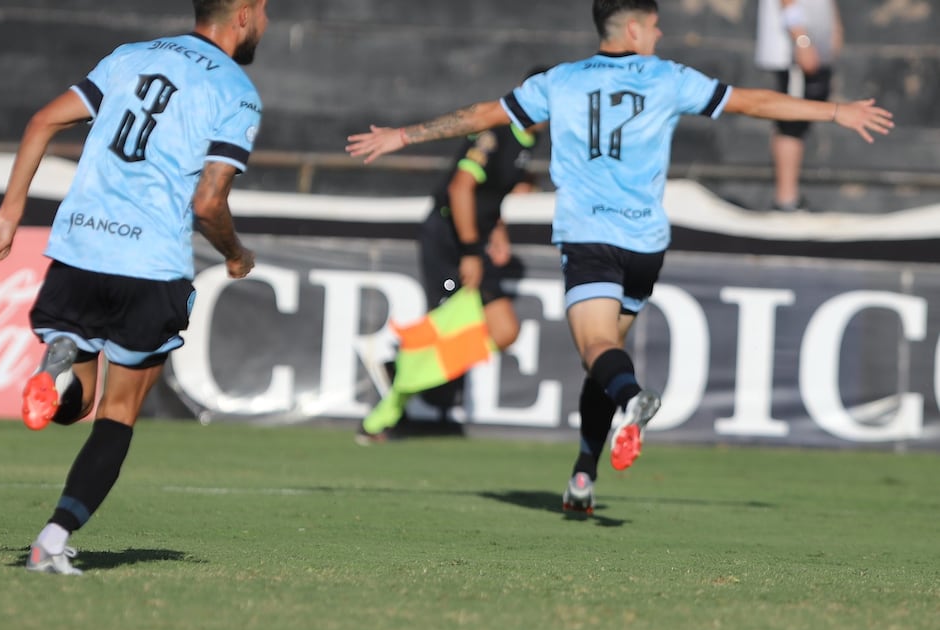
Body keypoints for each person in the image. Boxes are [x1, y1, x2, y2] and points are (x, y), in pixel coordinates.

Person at [347, 0, 892, 515]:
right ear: (634, 28)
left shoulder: (560, 81)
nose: (659, 35)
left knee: (597, 350)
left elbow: (483, 114)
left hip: (590, 238)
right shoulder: (669, 78)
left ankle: (630, 401)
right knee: (606, 355)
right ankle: (584, 472)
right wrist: (835, 110)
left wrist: (403, 134)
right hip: (647, 244)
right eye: (655, 26)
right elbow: (754, 101)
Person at [0, 0, 269, 573]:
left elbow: (42, 120)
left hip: (81, 248)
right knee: (115, 411)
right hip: (150, 263)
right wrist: (236, 255)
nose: (265, 24)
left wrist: (9, 215)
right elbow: (208, 202)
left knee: (77, 403)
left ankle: (55, 365)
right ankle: (53, 539)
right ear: (243, 14)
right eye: (264, 13)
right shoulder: (236, 91)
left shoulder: (130, 57)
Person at [358, 71, 547, 444]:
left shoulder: (528, 140)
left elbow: (488, 196)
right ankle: (387, 411)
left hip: (474, 238)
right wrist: (472, 252)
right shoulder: (498, 132)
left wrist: (497, 229)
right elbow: (460, 188)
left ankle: (400, 368)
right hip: (449, 238)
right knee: (447, 319)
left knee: (503, 331)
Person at [755, 0, 843, 211]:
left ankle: (789, 198)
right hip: (793, 53)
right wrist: (801, 40)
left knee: (800, 122)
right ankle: (786, 200)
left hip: (813, 50)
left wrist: (835, 26)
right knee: (791, 122)